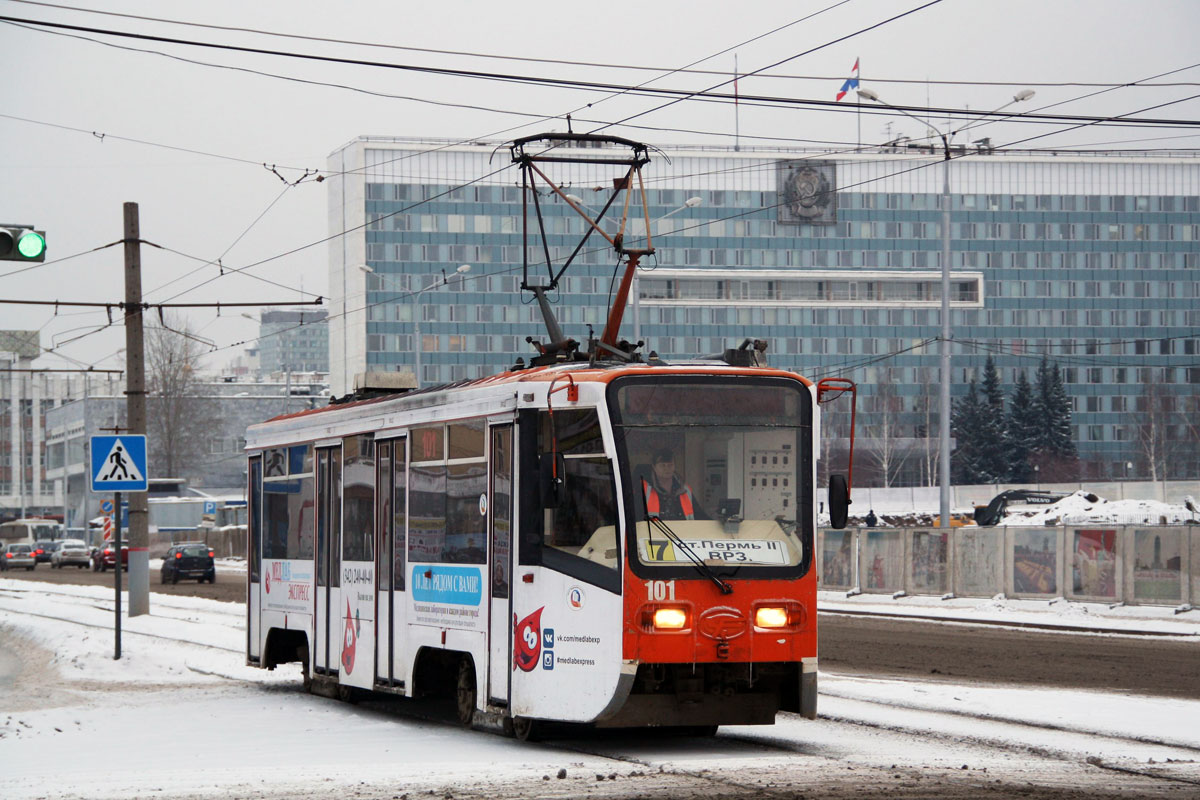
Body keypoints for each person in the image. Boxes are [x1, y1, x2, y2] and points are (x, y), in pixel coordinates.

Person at [641, 448, 704, 521]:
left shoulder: (685, 490)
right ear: (654, 467)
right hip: (656, 529)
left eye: (670, 465)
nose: (666, 468)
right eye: (662, 465)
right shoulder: (645, 490)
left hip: (683, 528)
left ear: (674, 466)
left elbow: (700, 516)